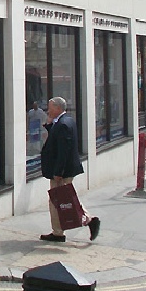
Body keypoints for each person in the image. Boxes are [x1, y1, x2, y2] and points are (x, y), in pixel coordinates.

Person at [39, 96, 100, 242]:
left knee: (59, 201)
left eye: (50, 107)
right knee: (64, 199)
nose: (48, 110)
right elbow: (57, 139)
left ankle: (84, 223)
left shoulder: (64, 124)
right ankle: (60, 231)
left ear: (58, 108)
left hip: (62, 172)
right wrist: (48, 125)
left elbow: (63, 151)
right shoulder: (64, 121)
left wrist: (58, 172)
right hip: (62, 170)